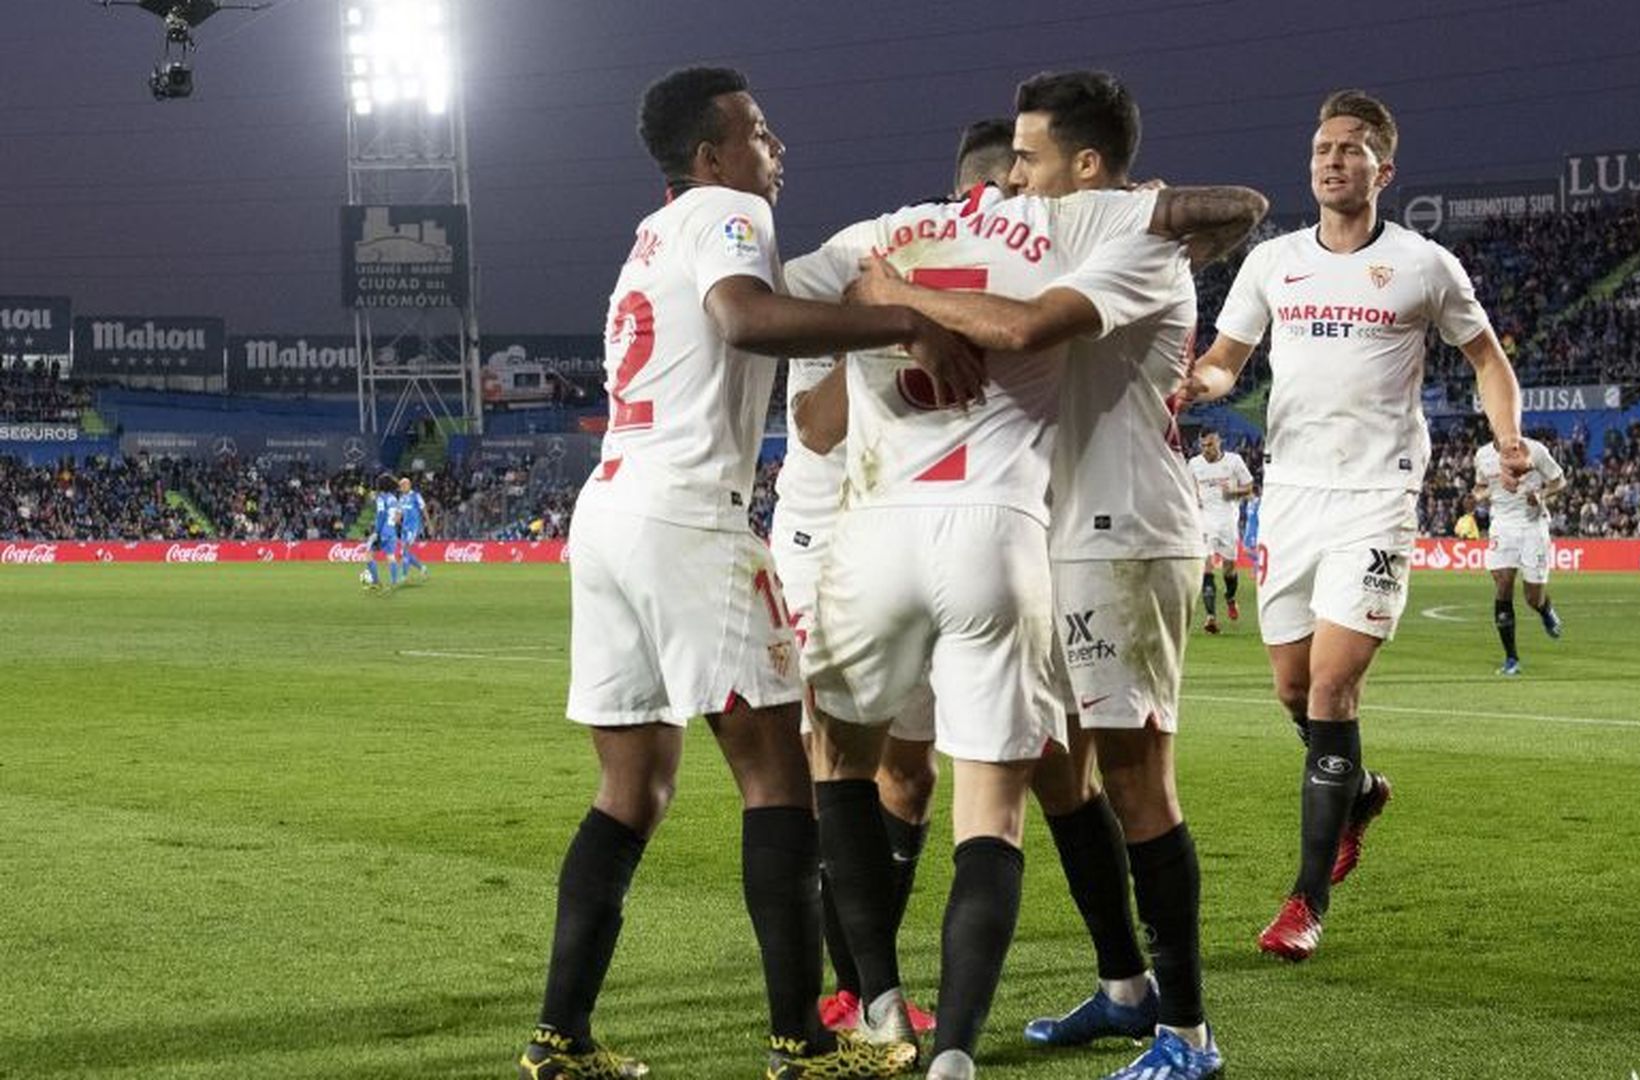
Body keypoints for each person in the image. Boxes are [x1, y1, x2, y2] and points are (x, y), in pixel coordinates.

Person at [518, 65, 979, 1080]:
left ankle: (559, 1041)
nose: (776, 152)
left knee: (628, 789)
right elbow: (744, 318)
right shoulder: (727, 211)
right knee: (782, 780)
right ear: (709, 156)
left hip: (610, 513)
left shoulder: (649, 238)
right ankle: (801, 1045)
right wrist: (907, 320)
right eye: (760, 133)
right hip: (688, 516)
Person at [786, 170, 1265, 1078]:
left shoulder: (1099, 240)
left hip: (1107, 534)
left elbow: (1016, 326)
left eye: (1029, 165)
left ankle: (1184, 1031)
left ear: (1084, 168)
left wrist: (893, 301)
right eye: (1005, 177)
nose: (1016, 189)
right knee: (1039, 783)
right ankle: (1093, 999)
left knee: (1124, 780)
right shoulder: (1052, 240)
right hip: (1021, 537)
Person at [1178, 89, 1527, 962]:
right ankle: (1360, 788)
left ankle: (1305, 902)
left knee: (1333, 690)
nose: (1331, 160)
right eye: (1321, 148)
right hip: (1289, 496)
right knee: (1294, 693)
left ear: (1384, 168)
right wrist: (1197, 386)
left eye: (1349, 149)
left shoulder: (1425, 266)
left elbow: (1486, 356)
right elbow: (1227, 361)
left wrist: (1509, 438)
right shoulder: (1273, 263)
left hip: (1377, 497)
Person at [773, 118, 1019, 1040]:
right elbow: (816, 427)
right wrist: (893, 321)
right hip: (825, 535)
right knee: (828, 760)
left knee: (909, 778)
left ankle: (865, 974)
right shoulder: (866, 255)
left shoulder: (1019, 281)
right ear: (980, 193)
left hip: (926, 537)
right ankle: (850, 988)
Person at [1472, 432, 1566, 675]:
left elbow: (1559, 481)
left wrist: (1542, 495)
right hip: (1502, 526)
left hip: (1533, 526)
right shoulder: (1482, 455)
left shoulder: (1535, 450)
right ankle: (1512, 658)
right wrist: (1479, 496)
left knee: (1532, 597)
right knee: (1503, 585)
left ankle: (1544, 609)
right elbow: (1480, 487)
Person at [1188, 430, 1256, 635]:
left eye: (1209, 445)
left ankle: (1230, 598)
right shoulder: (1194, 464)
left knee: (1229, 570)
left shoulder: (1234, 461)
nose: (1205, 449)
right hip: (1204, 520)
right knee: (1206, 567)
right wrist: (1193, 498)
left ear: (1218, 442)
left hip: (1227, 521)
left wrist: (1233, 492)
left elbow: (1249, 488)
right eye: (1203, 445)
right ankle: (1211, 617)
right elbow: (1188, 488)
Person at [364, 473, 401, 592]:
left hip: (382, 531)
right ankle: (394, 583)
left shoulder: (381, 497)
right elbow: (396, 515)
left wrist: (376, 532)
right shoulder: (394, 498)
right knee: (390, 556)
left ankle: (376, 582)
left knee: (368, 555)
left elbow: (381, 514)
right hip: (392, 531)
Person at [396, 476, 430, 582]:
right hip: (404, 528)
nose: (401, 487)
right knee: (405, 552)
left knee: (405, 550)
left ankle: (404, 575)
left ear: (408, 485)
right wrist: (396, 520)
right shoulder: (401, 498)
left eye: (403, 485)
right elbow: (399, 512)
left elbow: (423, 508)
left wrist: (428, 523)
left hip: (413, 527)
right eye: (400, 486)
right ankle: (422, 568)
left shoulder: (416, 496)